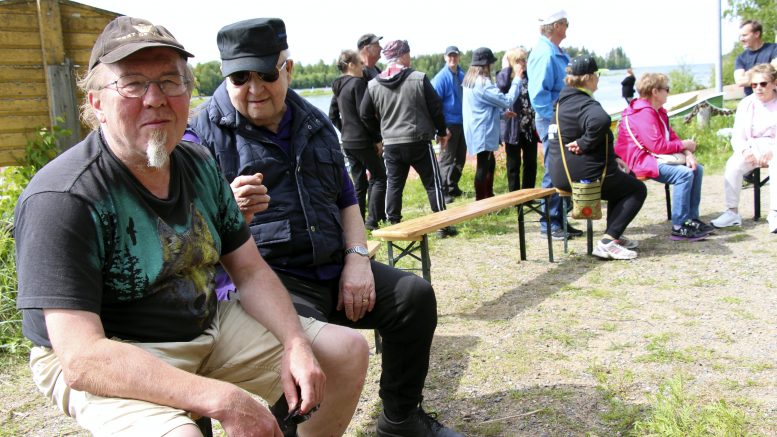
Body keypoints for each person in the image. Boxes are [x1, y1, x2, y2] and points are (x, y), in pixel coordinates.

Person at [14, 16, 369, 437]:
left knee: (343, 352)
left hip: (203, 322)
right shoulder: (63, 197)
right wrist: (223, 398)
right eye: (132, 84)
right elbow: (82, 358)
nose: (155, 99)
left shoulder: (198, 164)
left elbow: (251, 271)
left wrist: (295, 343)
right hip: (113, 352)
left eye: (169, 81)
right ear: (95, 102)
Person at [188, 19, 463, 437]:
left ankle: (400, 419)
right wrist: (224, 205)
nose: (255, 87)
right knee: (312, 348)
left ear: (288, 69)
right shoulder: (199, 136)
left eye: (265, 73)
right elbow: (181, 230)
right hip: (269, 283)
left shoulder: (314, 121)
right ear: (225, 76)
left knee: (413, 297)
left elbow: (346, 198)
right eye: (239, 77)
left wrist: (357, 260)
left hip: (332, 268)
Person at [548, 55, 647, 260]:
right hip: (584, 175)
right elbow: (601, 120)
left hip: (561, 172)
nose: (599, 79)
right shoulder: (583, 102)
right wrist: (584, 143)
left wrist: (614, 156)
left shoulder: (563, 100)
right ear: (588, 77)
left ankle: (614, 236)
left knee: (622, 185)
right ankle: (608, 242)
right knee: (637, 189)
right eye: (597, 74)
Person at [359, 39, 456, 237]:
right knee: (432, 183)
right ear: (402, 55)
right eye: (409, 53)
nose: (410, 57)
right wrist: (442, 131)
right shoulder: (419, 78)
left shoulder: (373, 84)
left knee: (394, 184)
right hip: (418, 140)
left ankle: (393, 224)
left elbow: (364, 114)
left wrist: (379, 132)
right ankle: (441, 225)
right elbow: (435, 107)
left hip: (392, 143)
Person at [615, 72, 713, 241]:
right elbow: (657, 146)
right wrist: (685, 145)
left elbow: (672, 138)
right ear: (655, 92)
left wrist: (688, 153)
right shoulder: (643, 113)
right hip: (637, 161)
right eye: (666, 89)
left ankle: (691, 219)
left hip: (652, 157)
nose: (668, 92)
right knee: (684, 174)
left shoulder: (658, 111)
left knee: (697, 169)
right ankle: (679, 225)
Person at [528, 8, 584, 241]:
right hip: (552, 119)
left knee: (564, 168)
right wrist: (554, 120)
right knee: (554, 169)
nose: (567, 28)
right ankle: (549, 223)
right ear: (557, 26)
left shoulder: (555, 52)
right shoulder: (545, 54)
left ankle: (560, 218)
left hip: (561, 117)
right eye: (565, 24)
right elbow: (539, 95)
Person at [710, 63, 777, 233]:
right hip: (752, 145)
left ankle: (774, 213)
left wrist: (773, 151)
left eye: (763, 84)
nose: (758, 88)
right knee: (733, 165)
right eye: (754, 85)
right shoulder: (746, 103)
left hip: (774, 146)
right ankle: (732, 212)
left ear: (774, 83)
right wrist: (745, 151)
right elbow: (737, 136)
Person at [329, 49, 387, 230]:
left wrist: (344, 130)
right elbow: (365, 114)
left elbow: (332, 115)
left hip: (347, 141)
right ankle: (372, 221)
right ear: (351, 65)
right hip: (362, 140)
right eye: (360, 64)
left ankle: (358, 222)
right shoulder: (358, 83)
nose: (363, 67)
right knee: (379, 176)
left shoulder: (338, 86)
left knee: (359, 182)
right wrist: (377, 138)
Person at [462, 47, 522, 200]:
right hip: (483, 130)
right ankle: (481, 200)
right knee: (483, 165)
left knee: (489, 163)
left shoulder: (469, 81)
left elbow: (481, 106)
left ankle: (488, 196)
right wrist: (517, 79)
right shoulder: (482, 83)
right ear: (485, 65)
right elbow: (507, 100)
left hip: (475, 127)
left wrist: (501, 114)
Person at [497, 47, 539, 192]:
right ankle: (514, 197)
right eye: (519, 60)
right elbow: (501, 85)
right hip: (513, 128)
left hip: (529, 127)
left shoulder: (529, 76)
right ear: (512, 62)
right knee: (513, 164)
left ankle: (528, 194)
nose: (523, 63)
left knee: (530, 163)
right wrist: (507, 69)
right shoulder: (506, 78)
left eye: (524, 59)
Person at [431, 45, 467, 203]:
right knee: (446, 159)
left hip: (462, 122)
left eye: (455, 56)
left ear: (459, 57)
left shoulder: (461, 74)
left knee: (460, 157)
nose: (453, 58)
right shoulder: (441, 78)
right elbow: (433, 104)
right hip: (448, 124)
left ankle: (452, 185)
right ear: (445, 57)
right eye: (450, 56)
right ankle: (443, 190)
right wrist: (441, 128)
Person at [734, 20, 777, 97]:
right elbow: (740, 81)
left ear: (757, 34)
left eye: (744, 35)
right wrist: (764, 75)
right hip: (752, 102)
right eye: (740, 36)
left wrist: (748, 74)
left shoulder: (774, 49)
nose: (741, 39)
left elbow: (774, 74)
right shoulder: (741, 58)